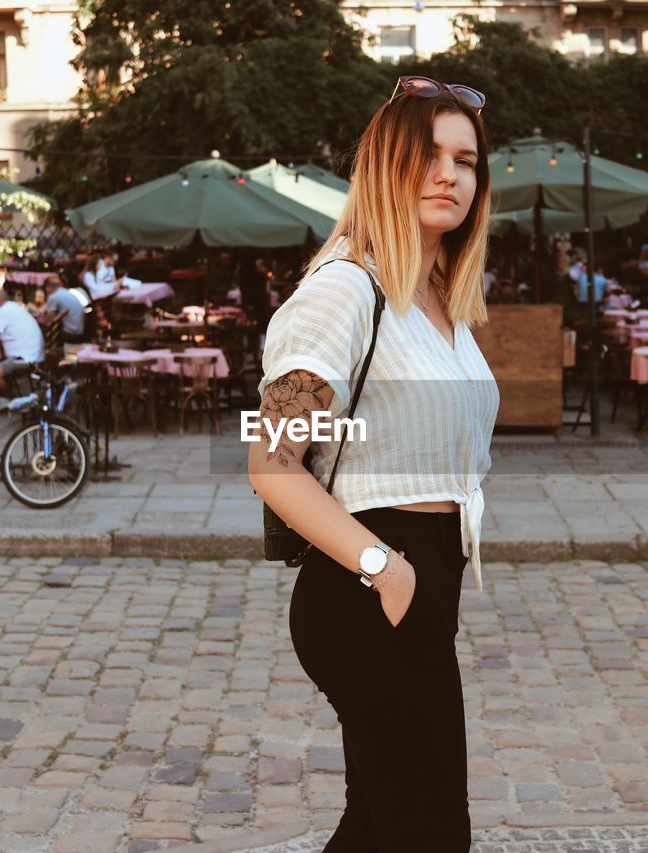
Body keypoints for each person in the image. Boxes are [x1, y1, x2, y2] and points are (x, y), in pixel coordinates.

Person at [250, 74, 498, 849]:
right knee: (426, 829)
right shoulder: (347, 289)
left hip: (421, 583)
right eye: (427, 154)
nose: (449, 174)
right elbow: (272, 462)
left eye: (466, 160)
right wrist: (385, 569)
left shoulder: (435, 299)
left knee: (388, 822)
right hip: (364, 585)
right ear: (385, 165)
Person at [0, 289, 45, 405]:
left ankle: (14, 400)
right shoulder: (14, 308)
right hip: (34, 354)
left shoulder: (2, 311)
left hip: (25, 358)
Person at [43, 274, 86, 342]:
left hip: (70, 334)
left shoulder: (53, 296)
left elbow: (49, 321)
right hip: (80, 331)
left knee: (43, 329)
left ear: (48, 287)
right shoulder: (67, 292)